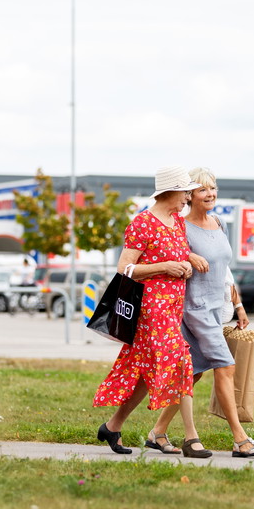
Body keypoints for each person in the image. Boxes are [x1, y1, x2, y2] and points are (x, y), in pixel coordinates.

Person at [148, 167, 254, 458]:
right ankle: (240, 439)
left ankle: (157, 432)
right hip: (194, 308)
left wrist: (238, 305)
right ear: (189, 195)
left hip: (217, 308)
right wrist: (188, 255)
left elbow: (224, 268)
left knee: (193, 376)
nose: (211, 194)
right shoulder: (179, 226)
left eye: (213, 188)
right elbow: (166, 252)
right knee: (225, 367)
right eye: (203, 189)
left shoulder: (219, 222)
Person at [92, 165, 213, 458]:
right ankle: (191, 439)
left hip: (172, 308)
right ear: (171, 192)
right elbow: (125, 269)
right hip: (150, 309)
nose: (188, 198)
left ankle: (113, 426)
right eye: (185, 192)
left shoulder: (176, 222)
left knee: (146, 373)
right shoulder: (142, 223)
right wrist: (164, 268)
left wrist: (189, 258)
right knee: (183, 361)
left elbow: (175, 252)